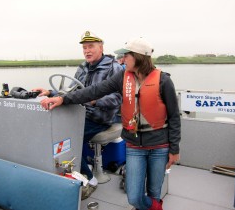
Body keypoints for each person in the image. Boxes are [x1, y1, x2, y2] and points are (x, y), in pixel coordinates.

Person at [40, 37, 181, 210]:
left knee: (154, 191)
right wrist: (62, 98)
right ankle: (154, 206)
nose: (121, 59)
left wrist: (174, 149)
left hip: (159, 145)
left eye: (125, 55)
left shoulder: (163, 80)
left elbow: (174, 116)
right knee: (135, 197)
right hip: (135, 145)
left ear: (138, 57)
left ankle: (154, 205)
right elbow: (93, 91)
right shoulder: (122, 76)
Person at [33, 31, 123, 198]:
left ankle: (89, 180)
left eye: (91, 47)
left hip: (100, 117)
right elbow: (70, 92)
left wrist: (95, 101)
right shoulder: (82, 67)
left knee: (71, 138)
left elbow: (118, 98)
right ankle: (71, 172)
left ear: (101, 47)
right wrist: (51, 93)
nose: (87, 51)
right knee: (53, 134)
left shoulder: (114, 68)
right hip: (78, 113)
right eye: (84, 48)